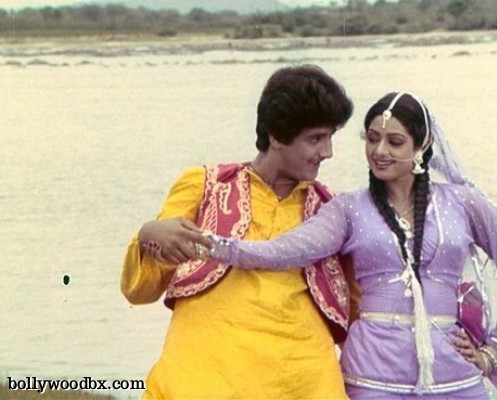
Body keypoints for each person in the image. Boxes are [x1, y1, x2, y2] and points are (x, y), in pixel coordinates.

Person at [201, 92, 497, 399]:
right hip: (372, 376)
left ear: (421, 146)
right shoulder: (349, 209)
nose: (379, 151)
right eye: (372, 139)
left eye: (394, 142)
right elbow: (283, 251)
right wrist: (211, 245)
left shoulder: (464, 203)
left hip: (455, 374)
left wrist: (491, 353)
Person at [120, 64, 359, 399]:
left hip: (303, 385)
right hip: (204, 379)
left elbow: (362, 311)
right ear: (276, 135)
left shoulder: (333, 210)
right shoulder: (205, 185)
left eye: (331, 137)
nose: (328, 152)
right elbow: (140, 291)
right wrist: (148, 234)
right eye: (315, 139)